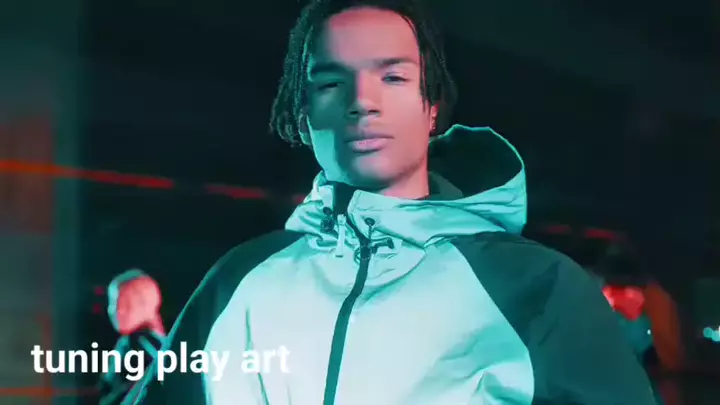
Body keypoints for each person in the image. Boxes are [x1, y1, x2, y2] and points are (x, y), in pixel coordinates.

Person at [130, 0, 657, 403]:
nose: (362, 101)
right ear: (303, 111)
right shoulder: (237, 281)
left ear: (432, 107)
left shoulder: (540, 288)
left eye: (393, 77)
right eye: (331, 82)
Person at [99, 269, 166, 405]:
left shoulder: (144, 343)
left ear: (145, 304)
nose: (115, 310)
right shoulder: (128, 343)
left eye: (124, 304)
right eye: (113, 303)